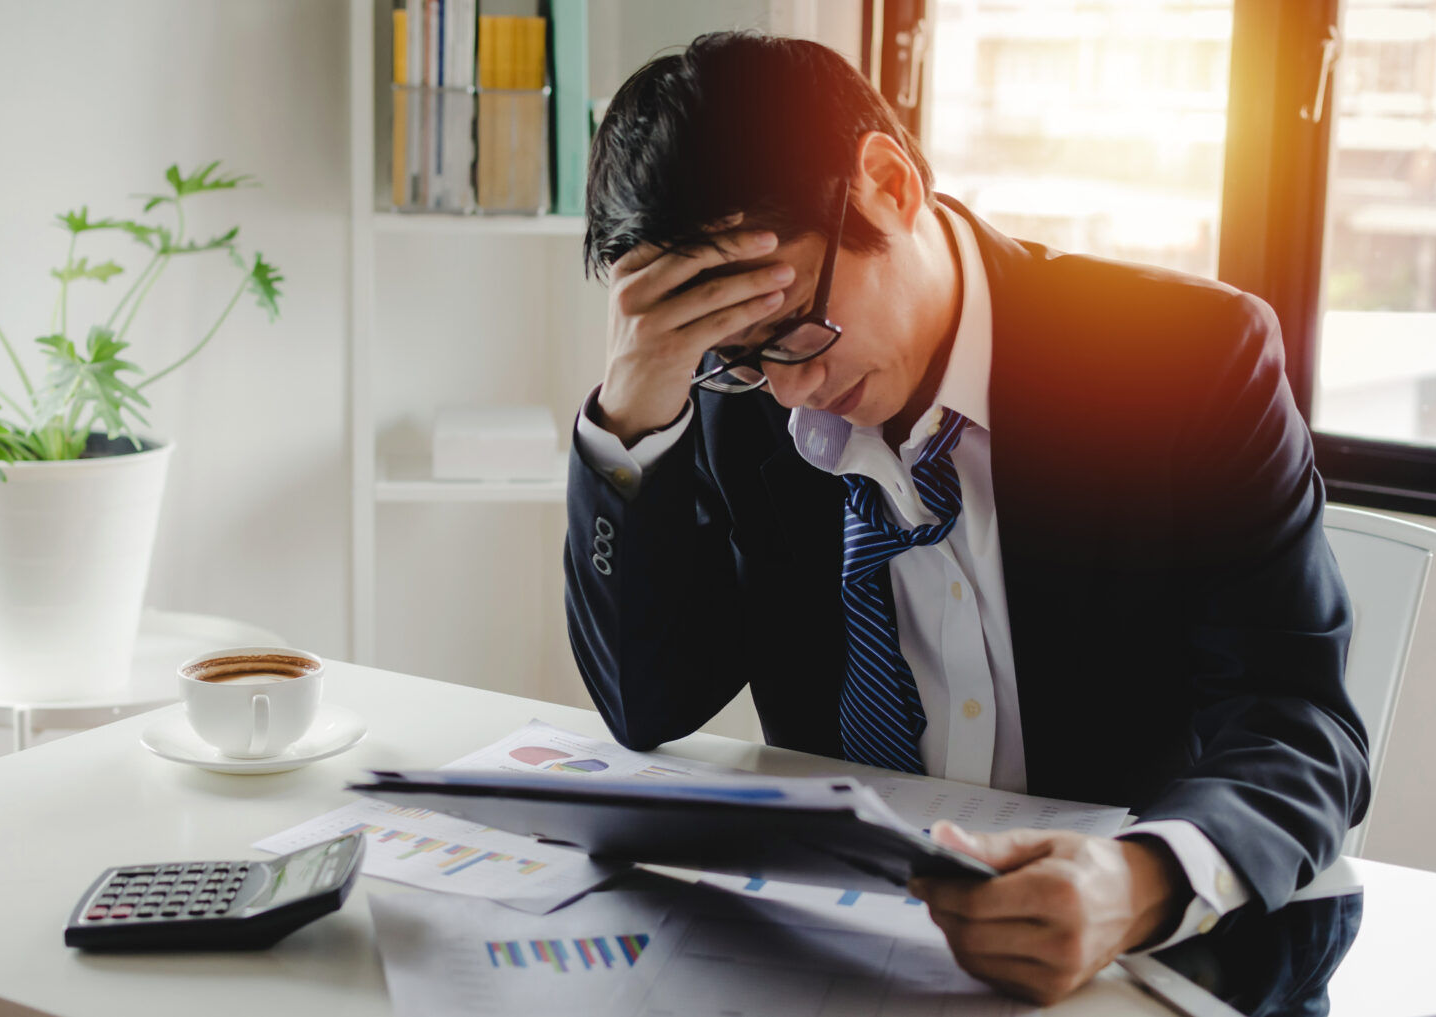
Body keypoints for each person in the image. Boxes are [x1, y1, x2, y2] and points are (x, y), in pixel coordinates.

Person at [562, 31, 1369, 1004]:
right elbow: (650, 703)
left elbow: (1301, 722)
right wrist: (634, 409)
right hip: (860, 954)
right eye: (731, 355)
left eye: (792, 331)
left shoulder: (1188, 363)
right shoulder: (743, 396)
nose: (790, 391)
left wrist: (1142, 879)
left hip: (1150, 957)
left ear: (890, 186)